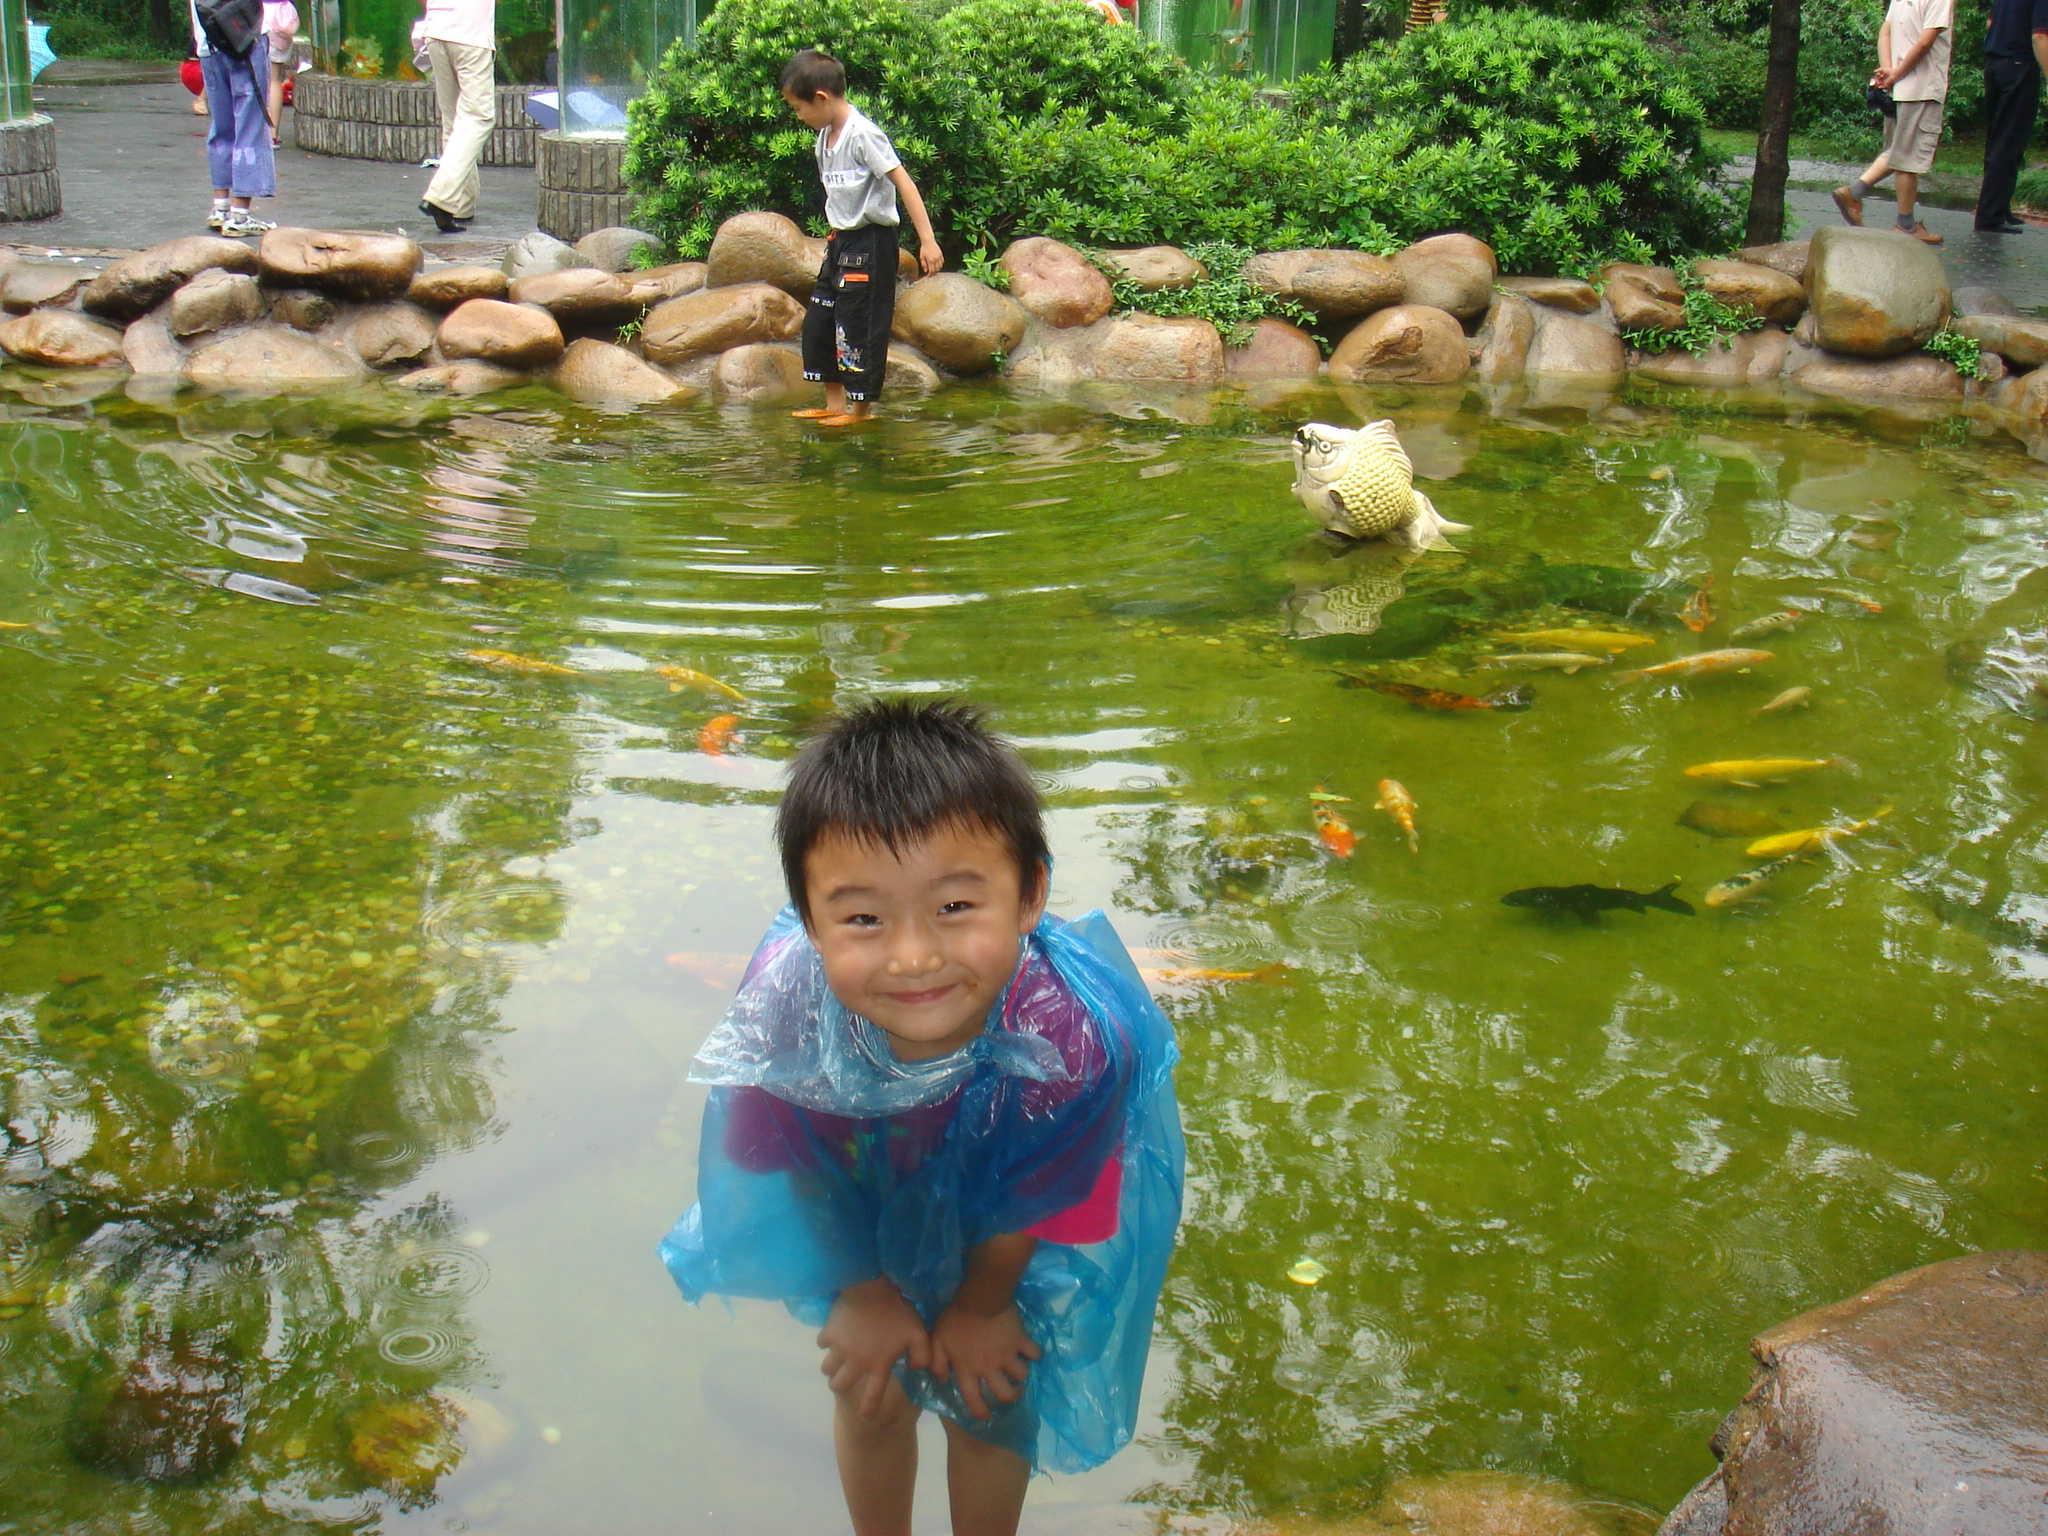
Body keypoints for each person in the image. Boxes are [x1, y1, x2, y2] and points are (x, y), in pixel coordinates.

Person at [659, 698, 1183, 1536]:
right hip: (858, 1208)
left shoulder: (1075, 1038)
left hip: (1010, 1228)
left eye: (955, 908)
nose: (912, 957)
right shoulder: (787, 1015)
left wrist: (983, 1306)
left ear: (1030, 894)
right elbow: (790, 1163)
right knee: (872, 1387)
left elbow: (1052, 1189)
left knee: (991, 1391)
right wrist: (862, 1292)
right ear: (810, 919)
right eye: (863, 919)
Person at [780, 50, 944, 427]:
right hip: (840, 241)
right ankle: (834, 404)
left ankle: (860, 412)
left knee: (859, 324)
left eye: (799, 108)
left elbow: (903, 182)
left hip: (871, 243)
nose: (798, 116)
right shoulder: (825, 137)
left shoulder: (863, 134)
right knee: (821, 320)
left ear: (821, 97)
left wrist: (928, 240)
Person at [1833, 0, 1955, 245]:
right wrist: (1895, 74)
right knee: (1908, 160)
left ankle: (1854, 193)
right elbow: (1925, 42)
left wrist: (1888, 70)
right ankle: (1905, 225)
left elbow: (1885, 31)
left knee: (1898, 151)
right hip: (1921, 88)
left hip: (1898, 90)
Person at [192, 0, 277, 237]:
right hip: (245, 37)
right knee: (250, 125)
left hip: (208, 41)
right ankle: (240, 215)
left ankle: (221, 208)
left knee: (223, 127)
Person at [415, 0, 496, 233]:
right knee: (479, 117)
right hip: (470, 35)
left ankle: (460, 205)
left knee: (453, 120)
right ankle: (441, 197)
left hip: (436, 32)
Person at [1974, 0, 2048, 233]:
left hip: (1995, 64)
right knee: (2009, 141)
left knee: (1997, 138)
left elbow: (1990, 23)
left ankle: (1998, 206)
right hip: (2020, 65)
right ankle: (1990, 216)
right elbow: (2040, 36)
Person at [262, 1, 299, 150]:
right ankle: (273, 133)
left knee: (257, 78)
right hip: (283, 16)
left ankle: (257, 133)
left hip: (261, 14)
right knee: (275, 79)